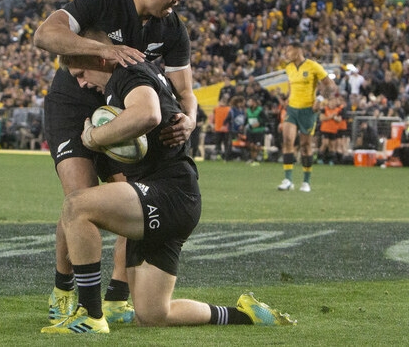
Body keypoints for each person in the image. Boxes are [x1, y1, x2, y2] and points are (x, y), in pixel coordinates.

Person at [41, 53, 295, 334]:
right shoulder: (129, 78)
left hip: (168, 193)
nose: (82, 83)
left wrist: (94, 137)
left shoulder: (128, 74)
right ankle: (246, 315)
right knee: (152, 314)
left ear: (99, 60)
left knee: (77, 206)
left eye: (80, 74)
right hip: (170, 197)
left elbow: (148, 113)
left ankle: (90, 315)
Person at [33, 0, 197, 326]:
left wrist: (189, 119)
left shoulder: (172, 28)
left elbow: (185, 90)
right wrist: (104, 51)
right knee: (80, 197)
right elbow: (45, 35)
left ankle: (118, 298)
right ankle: (64, 290)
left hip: (119, 102)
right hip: (73, 103)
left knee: (131, 189)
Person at [277, 43, 337, 192]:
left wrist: (320, 100)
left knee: (305, 145)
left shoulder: (313, 66)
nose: (286, 54)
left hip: (308, 110)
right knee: (287, 140)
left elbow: (330, 85)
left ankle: (306, 181)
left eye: (288, 50)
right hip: (292, 109)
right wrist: (286, 99)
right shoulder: (289, 68)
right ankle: (288, 179)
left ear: (298, 51)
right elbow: (291, 86)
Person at [244, 97, 267, 164]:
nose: (249, 103)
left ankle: (257, 158)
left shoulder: (260, 110)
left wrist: (258, 124)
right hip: (250, 130)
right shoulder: (248, 110)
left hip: (258, 130)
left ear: (254, 103)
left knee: (256, 146)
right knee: (251, 145)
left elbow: (266, 120)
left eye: (250, 101)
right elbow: (247, 119)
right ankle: (252, 159)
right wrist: (243, 125)